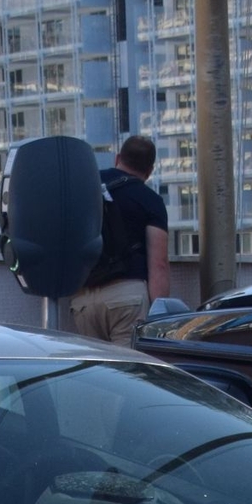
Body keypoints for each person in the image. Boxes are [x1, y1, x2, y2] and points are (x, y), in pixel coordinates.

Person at [66, 134, 170, 346]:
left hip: (83, 300)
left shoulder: (86, 187)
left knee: (95, 375)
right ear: (150, 171)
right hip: (127, 298)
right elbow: (158, 264)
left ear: (117, 158)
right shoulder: (151, 200)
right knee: (128, 374)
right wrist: (160, 318)